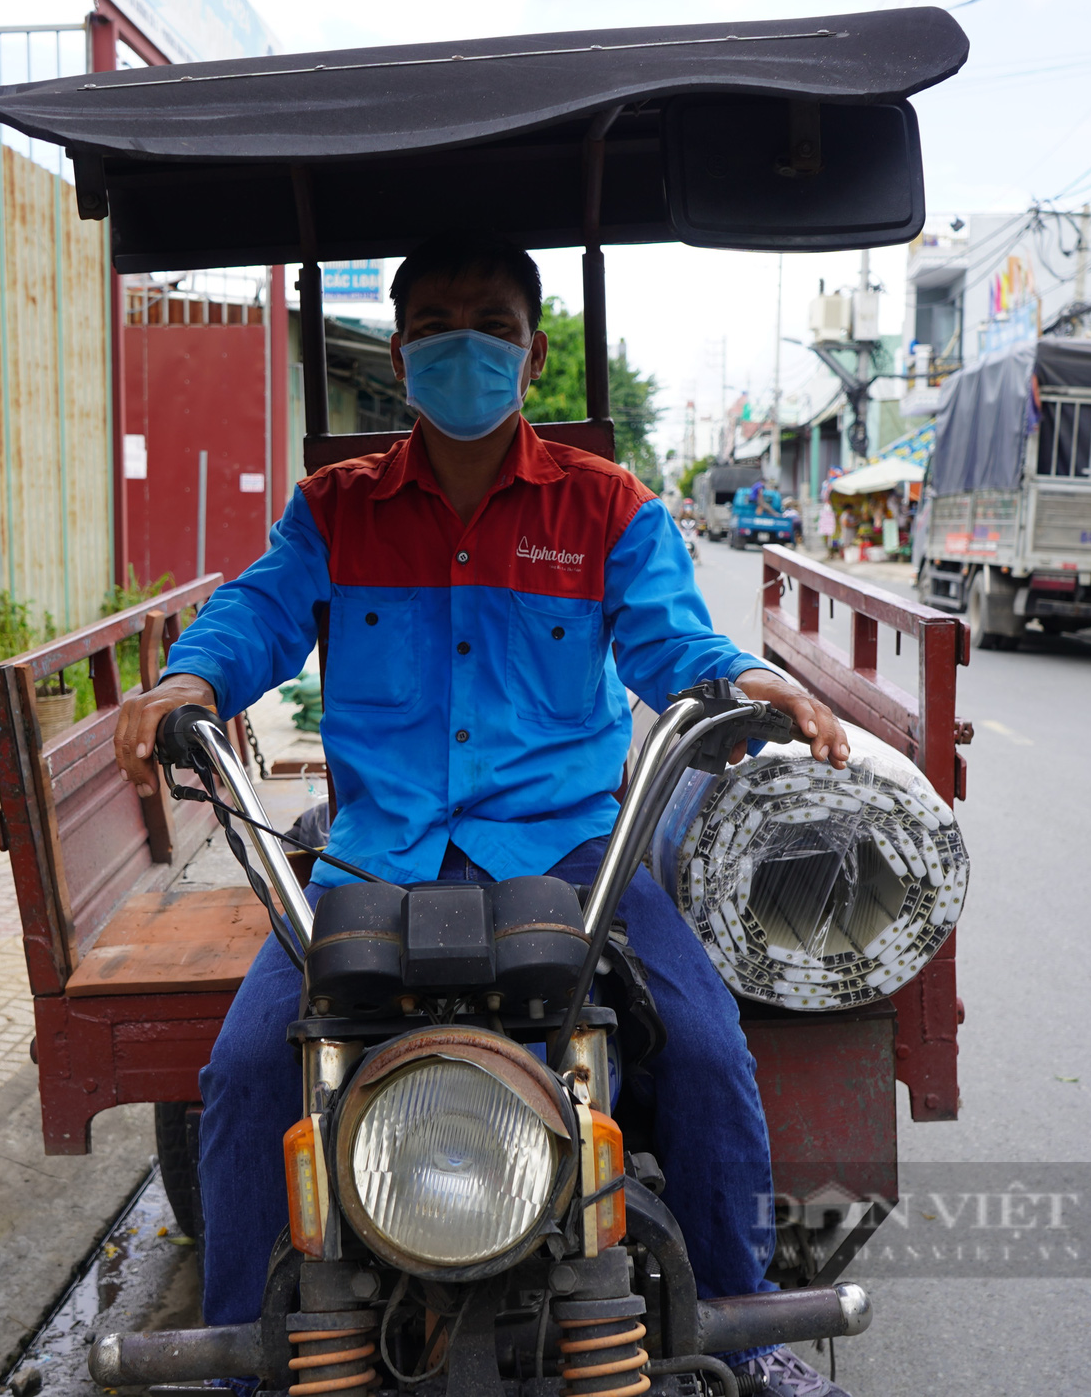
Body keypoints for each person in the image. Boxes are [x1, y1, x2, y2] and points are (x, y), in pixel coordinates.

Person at [114, 231, 853, 1397]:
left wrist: (742, 683)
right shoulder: (333, 511)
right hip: (373, 855)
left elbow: (672, 643)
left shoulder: (609, 509)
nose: (465, 346)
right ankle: (236, 1368)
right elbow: (253, 615)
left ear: (532, 351)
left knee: (707, 1053)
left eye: (492, 326)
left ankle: (740, 1337)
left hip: (570, 855)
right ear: (402, 356)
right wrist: (188, 682)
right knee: (252, 1068)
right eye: (438, 326)